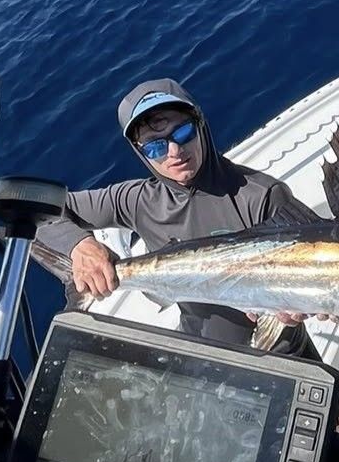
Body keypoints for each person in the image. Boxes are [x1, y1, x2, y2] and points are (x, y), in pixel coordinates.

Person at [36, 79, 322, 358]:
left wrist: (304, 302)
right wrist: (79, 246)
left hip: (286, 358)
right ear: (140, 152)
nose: (174, 151)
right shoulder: (136, 201)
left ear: (200, 124)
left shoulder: (262, 195)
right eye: (155, 147)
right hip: (198, 358)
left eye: (182, 133)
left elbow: (315, 273)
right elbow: (37, 208)